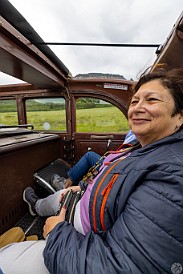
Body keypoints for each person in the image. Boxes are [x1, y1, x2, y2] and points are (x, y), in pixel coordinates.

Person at [1, 67, 183, 274]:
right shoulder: (144, 148)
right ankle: (36, 206)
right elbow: (116, 181)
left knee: (4, 256)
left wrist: (56, 233)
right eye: (134, 101)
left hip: (84, 239)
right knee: (60, 196)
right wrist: (84, 187)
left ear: (179, 116)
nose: (138, 108)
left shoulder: (173, 174)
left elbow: (121, 267)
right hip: (87, 206)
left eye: (152, 100)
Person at [50, 129, 137, 189]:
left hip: (118, 168)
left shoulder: (139, 136)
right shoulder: (135, 133)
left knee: (89, 156)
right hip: (117, 163)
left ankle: (65, 185)